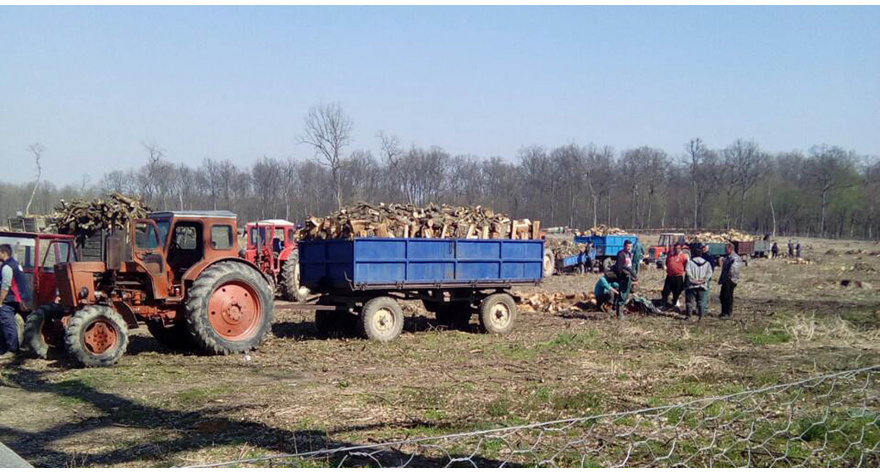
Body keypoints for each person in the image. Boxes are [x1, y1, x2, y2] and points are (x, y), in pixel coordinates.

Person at [0, 244, 31, 360]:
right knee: (5, 324)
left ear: (3, 253)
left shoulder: (7, 267)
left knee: (7, 324)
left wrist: (0, 302)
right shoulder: (15, 264)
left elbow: (5, 286)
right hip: (16, 298)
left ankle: (12, 350)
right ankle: (4, 349)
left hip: (9, 300)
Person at [684, 246, 713, 321]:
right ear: (701, 254)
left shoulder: (690, 262)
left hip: (691, 286)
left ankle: (689, 317)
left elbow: (688, 272)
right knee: (701, 302)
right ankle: (701, 317)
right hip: (702, 285)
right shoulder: (707, 263)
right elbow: (709, 273)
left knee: (690, 302)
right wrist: (704, 280)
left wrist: (693, 280)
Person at [613, 240, 638, 320]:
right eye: (628, 246)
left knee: (626, 294)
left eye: (630, 246)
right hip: (624, 278)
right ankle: (619, 315)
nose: (629, 248)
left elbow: (629, 266)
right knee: (622, 294)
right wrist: (624, 275)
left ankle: (621, 313)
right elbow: (619, 268)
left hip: (629, 277)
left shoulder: (629, 254)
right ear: (624, 246)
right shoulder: (621, 254)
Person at [718, 243, 743, 319]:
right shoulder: (728, 257)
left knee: (728, 296)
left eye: (726, 249)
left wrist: (729, 278)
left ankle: (728, 313)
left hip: (731, 279)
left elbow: (734, 270)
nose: (725, 250)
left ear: (730, 249)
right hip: (725, 279)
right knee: (722, 296)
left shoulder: (735, 258)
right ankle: (723, 312)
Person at [660, 243, 688, 310]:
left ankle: (674, 304)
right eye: (675, 248)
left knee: (677, 292)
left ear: (681, 249)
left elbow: (686, 265)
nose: (676, 250)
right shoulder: (670, 256)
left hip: (678, 277)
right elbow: (666, 263)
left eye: (678, 248)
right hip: (670, 277)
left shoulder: (683, 256)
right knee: (665, 292)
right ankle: (663, 305)